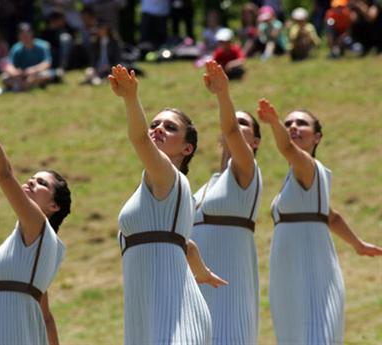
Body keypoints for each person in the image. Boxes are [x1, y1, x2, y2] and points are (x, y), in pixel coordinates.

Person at [109, 64, 227, 344]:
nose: (158, 128)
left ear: (187, 149)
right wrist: (202, 273)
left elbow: (138, 139)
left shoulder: (168, 177)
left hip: (176, 317)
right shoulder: (159, 189)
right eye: (155, 125)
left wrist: (130, 98)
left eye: (169, 127)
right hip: (149, 316)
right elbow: (187, 245)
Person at [257, 99, 382, 344]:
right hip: (289, 270)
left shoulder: (308, 166)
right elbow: (331, 216)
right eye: (288, 123)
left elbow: (287, 149)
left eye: (301, 124)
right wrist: (358, 245)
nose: (293, 127)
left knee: (315, 333)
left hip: (310, 266)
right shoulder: (297, 176)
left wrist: (273, 123)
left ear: (317, 137)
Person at [0, 88, 72, 345]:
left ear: (53, 206)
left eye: (41, 183)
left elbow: (4, 175)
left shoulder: (38, 227)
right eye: (32, 178)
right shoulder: (32, 248)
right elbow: (46, 317)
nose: (30, 182)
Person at [191, 60, 262, 344]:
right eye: (235, 120)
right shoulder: (205, 186)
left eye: (244, 123)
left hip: (229, 283)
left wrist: (223, 95)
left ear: (255, 142)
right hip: (198, 286)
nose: (235, 125)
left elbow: (232, 132)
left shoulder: (247, 173)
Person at [2, 23, 54, 92]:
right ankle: (26, 85)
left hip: (37, 73)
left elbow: (47, 63)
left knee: (45, 75)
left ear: (32, 33)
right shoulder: (16, 48)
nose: (24, 36)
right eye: (22, 34)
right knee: (4, 77)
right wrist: (15, 73)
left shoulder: (43, 45)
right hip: (20, 75)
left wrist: (33, 70)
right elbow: (9, 65)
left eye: (26, 34)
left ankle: (21, 86)